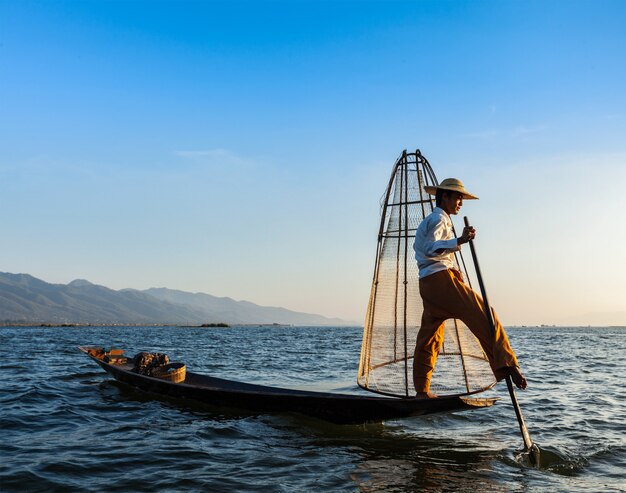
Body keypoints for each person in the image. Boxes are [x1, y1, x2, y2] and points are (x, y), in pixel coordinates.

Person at [412, 178, 527, 399]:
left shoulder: (434, 219)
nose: (460, 204)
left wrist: (456, 246)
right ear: (444, 197)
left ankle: (422, 390)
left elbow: (426, 248)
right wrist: (460, 240)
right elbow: (429, 247)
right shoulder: (438, 219)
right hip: (440, 281)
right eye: (457, 198)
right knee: (485, 314)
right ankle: (508, 364)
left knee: (430, 337)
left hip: (428, 284)